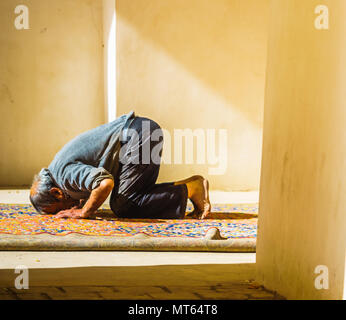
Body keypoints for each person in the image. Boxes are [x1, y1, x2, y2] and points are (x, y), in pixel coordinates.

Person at [29, 111, 211, 220]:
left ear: (56, 192)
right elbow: (91, 177)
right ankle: (191, 185)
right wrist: (81, 203)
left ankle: (191, 189)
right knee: (132, 196)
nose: (66, 211)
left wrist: (84, 211)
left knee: (125, 205)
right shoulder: (59, 171)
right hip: (141, 131)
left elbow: (105, 183)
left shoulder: (64, 175)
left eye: (60, 209)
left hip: (139, 135)